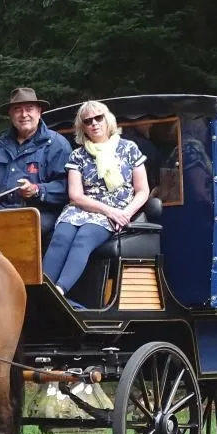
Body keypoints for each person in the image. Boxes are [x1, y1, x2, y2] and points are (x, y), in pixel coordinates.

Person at [42, 100, 149, 307]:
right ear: (82, 127)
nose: (94, 123)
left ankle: (58, 293)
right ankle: (40, 289)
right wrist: (107, 210)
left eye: (98, 118)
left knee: (84, 238)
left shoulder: (129, 148)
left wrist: (125, 213)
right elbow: (75, 195)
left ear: (107, 119)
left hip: (115, 212)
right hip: (82, 208)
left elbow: (142, 190)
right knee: (60, 237)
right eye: (88, 121)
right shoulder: (78, 155)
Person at [0, 87, 71, 242]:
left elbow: (66, 187)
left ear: (39, 112)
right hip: (1, 213)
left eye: (29, 109)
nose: (24, 114)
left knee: (12, 234)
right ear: (10, 115)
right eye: (17, 110)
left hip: (39, 214)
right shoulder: (0, 146)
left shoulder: (57, 144)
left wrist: (36, 190)